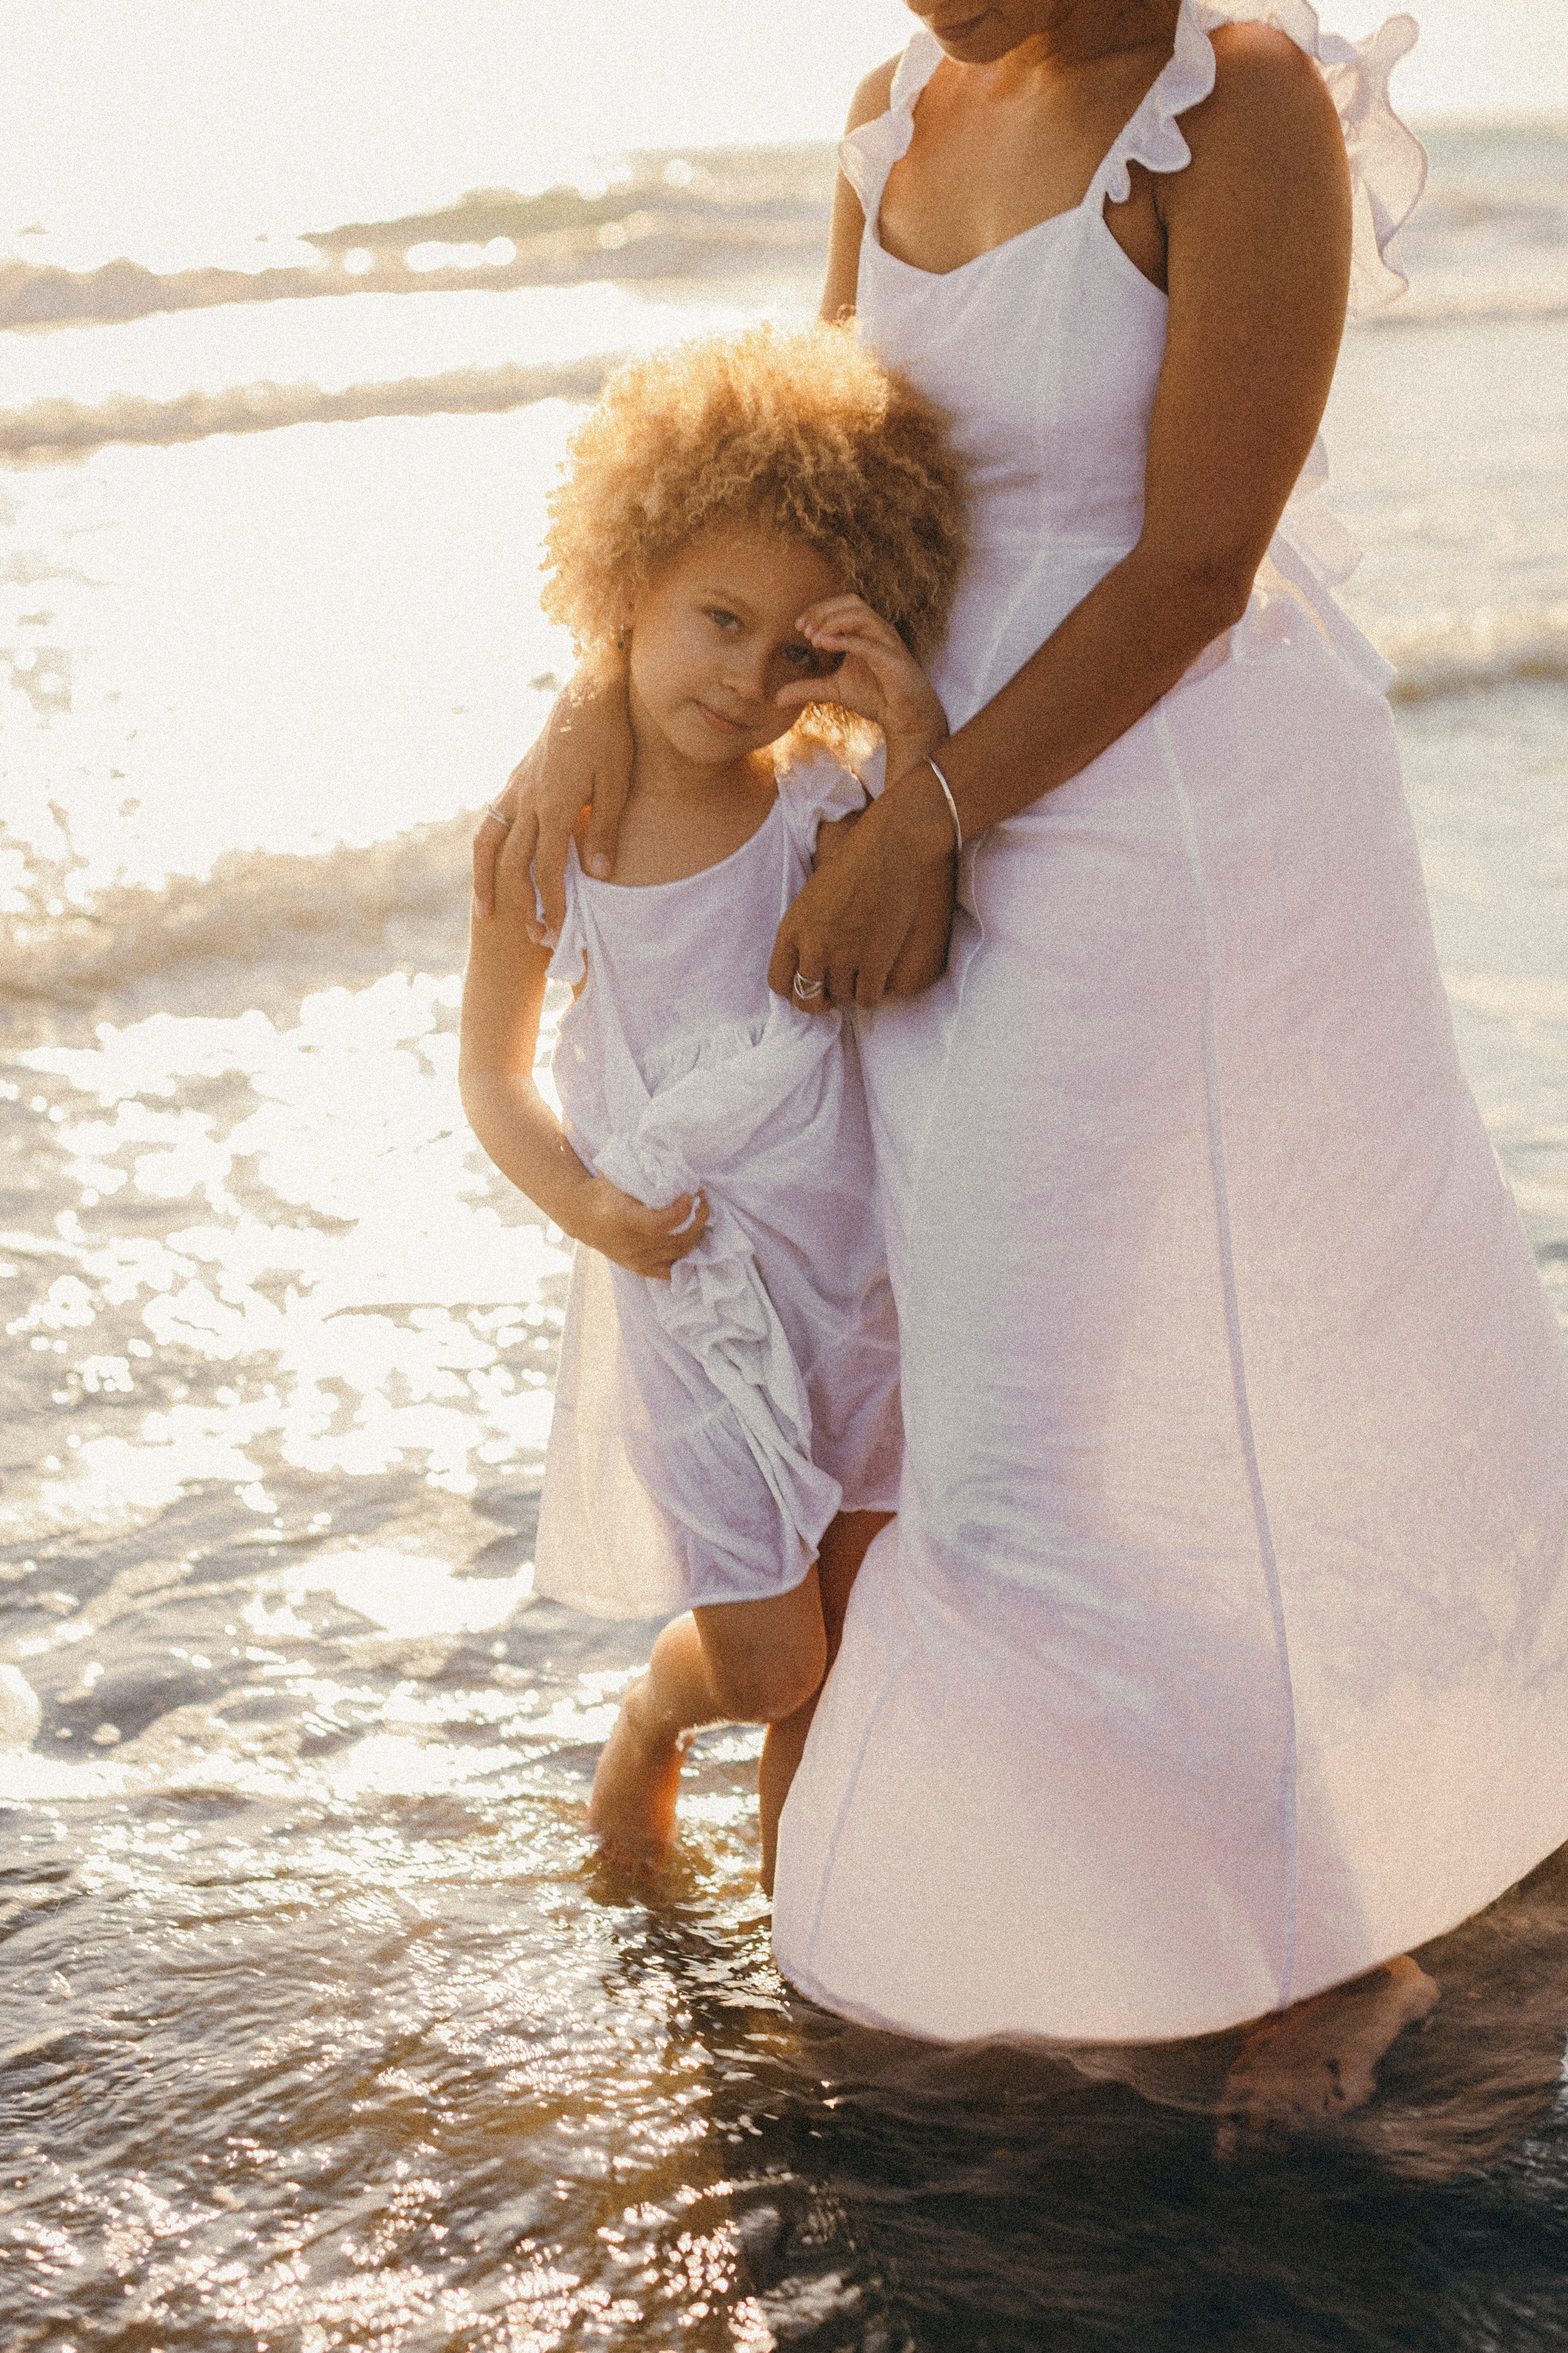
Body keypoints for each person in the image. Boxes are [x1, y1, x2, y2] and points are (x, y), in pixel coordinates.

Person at [475, 0, 1568, 2143]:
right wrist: (590, 705)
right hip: (904, 802)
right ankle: (1091, 1880)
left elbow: (1195, 558)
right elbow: (799, 483)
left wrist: (932, 816)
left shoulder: (1232, 105)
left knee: (1180, 1376)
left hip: (1169, 833)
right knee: (991, 1404)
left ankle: (1335, 1937)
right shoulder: (889, 112)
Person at [460, 324, 967, 1881]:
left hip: (856, 1279)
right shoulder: (570, 830)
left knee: (857, 1626)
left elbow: (917, 959)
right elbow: (491, 1076)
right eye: (715, 621)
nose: (747, 679)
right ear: (625, 589)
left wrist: (917, 737)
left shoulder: (821, 806)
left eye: (793, 653)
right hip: (687, 1293)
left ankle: (808, 1941)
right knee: (771, 1661)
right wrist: (597, 1213)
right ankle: (648, 1718)